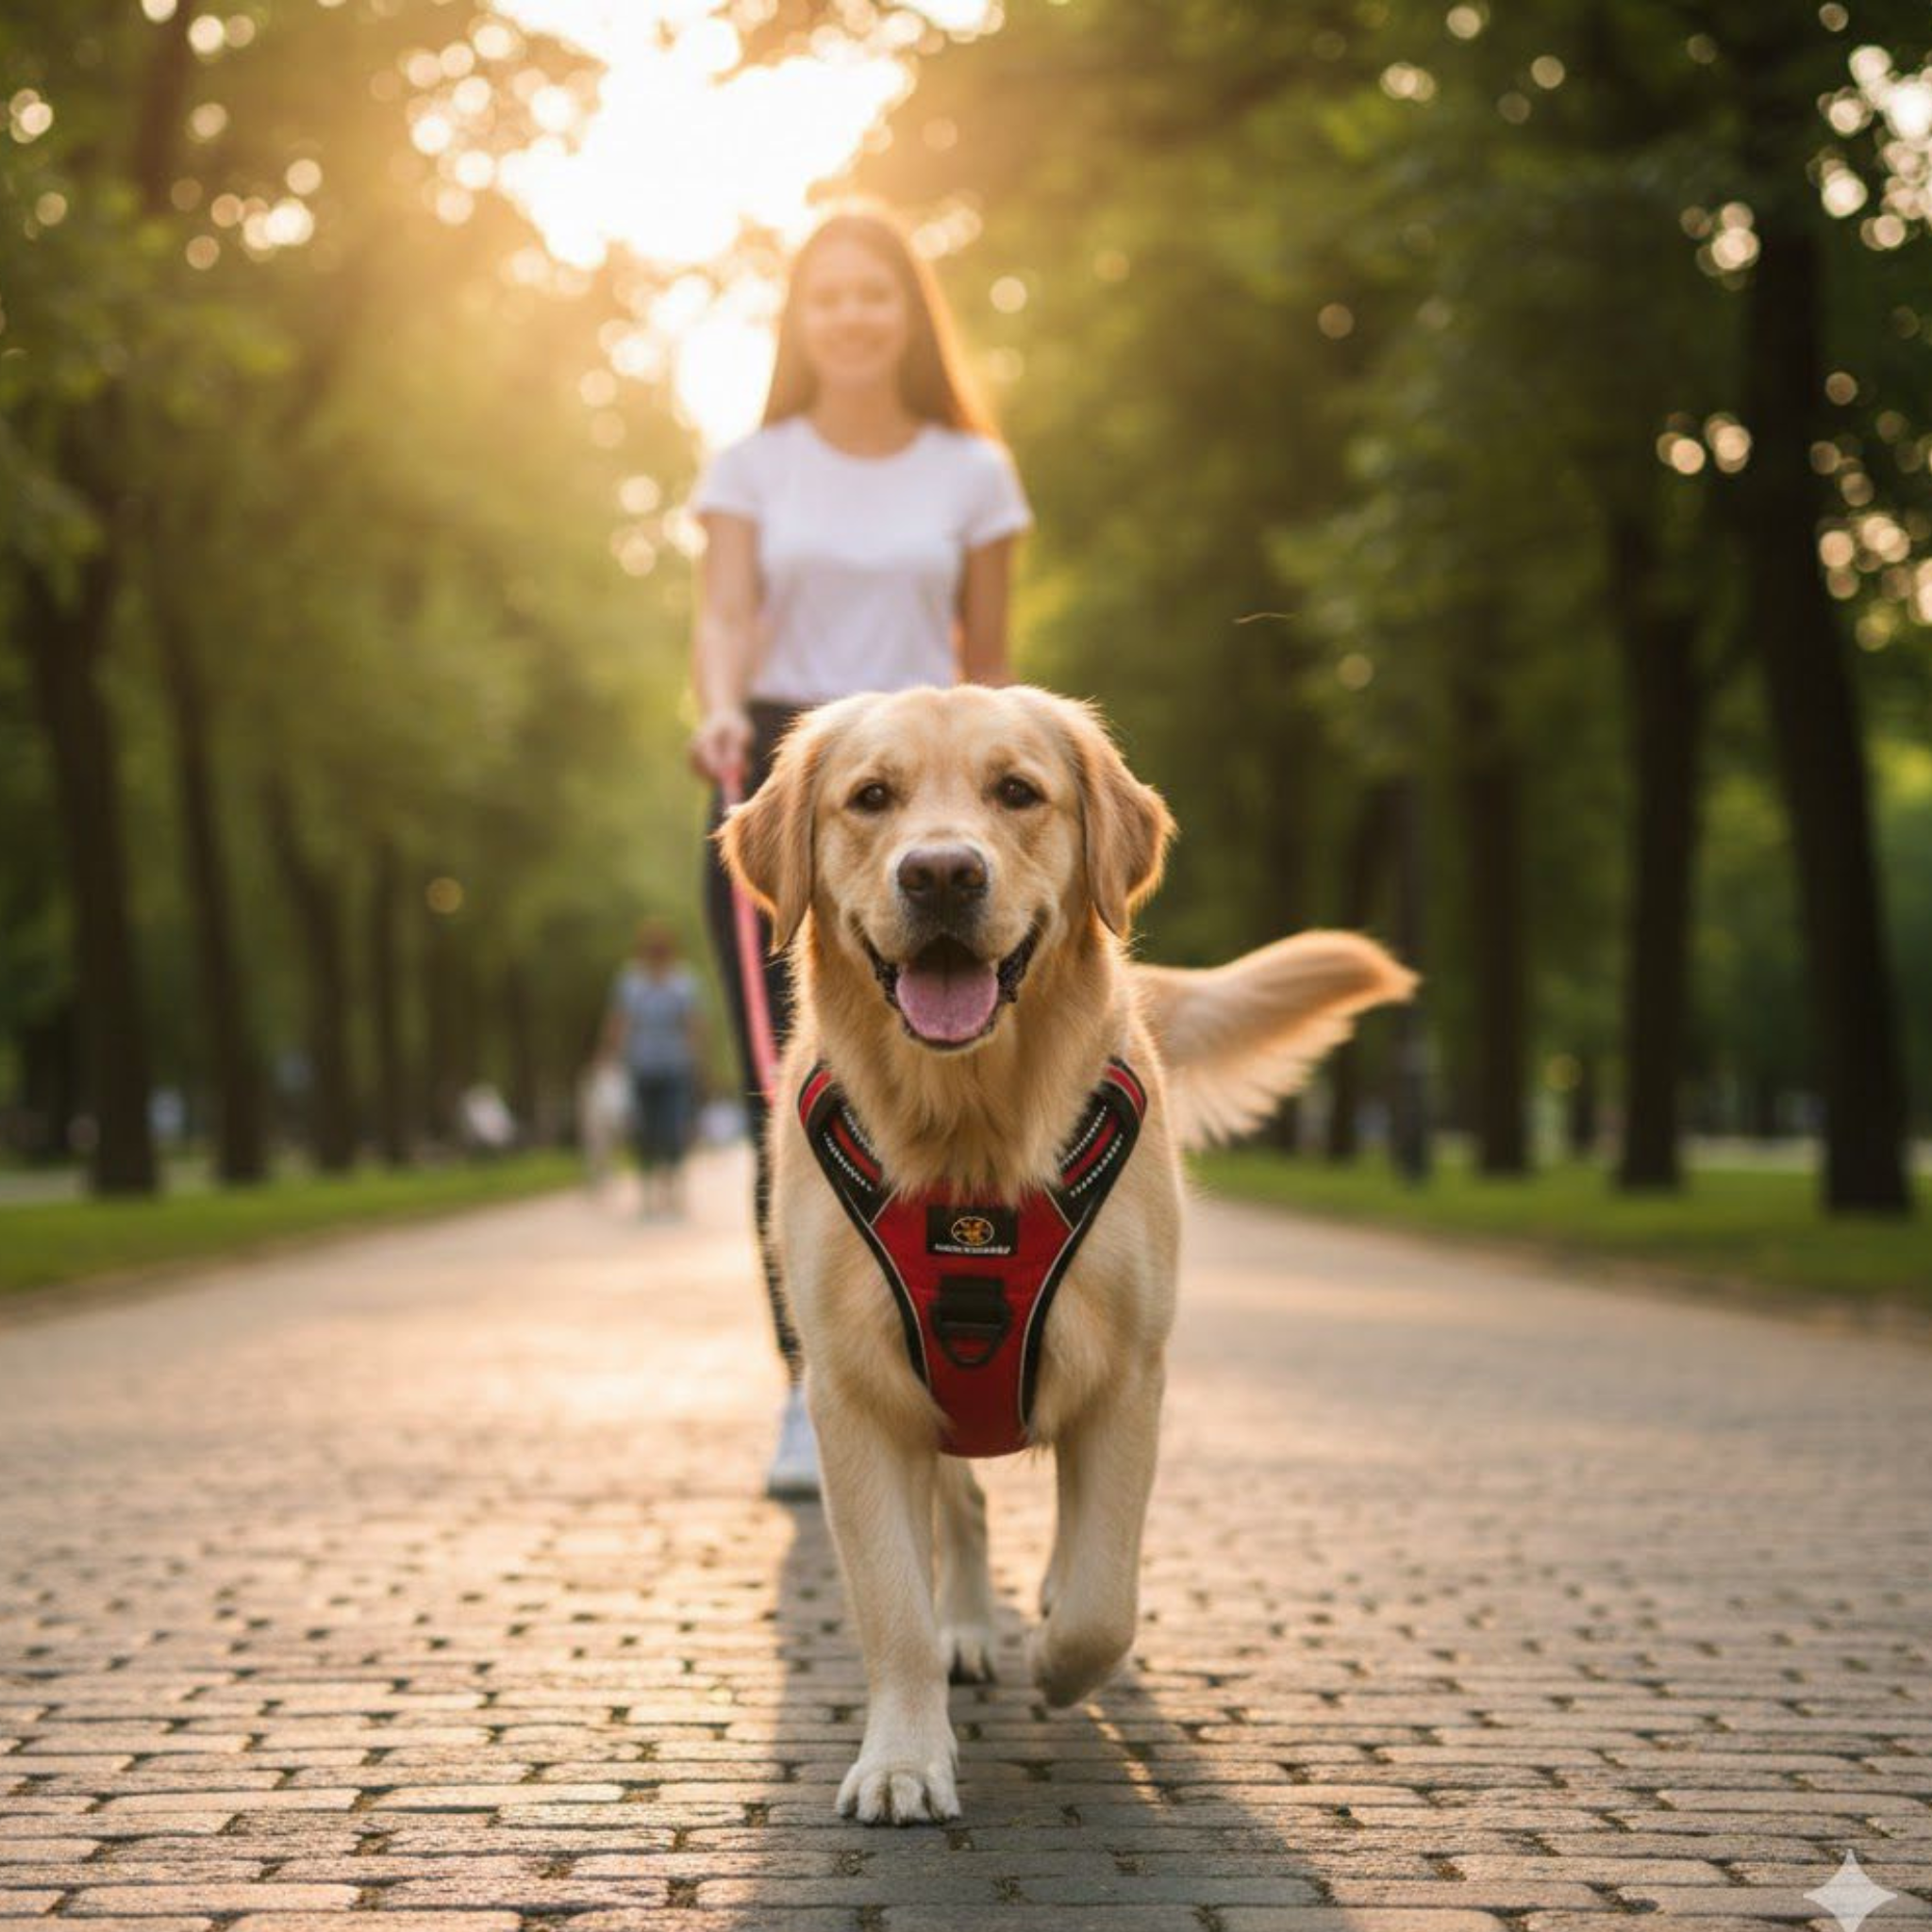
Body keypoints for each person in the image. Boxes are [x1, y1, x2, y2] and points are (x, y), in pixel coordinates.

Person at [688, 202, 1032, 1501]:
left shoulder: (973, 471)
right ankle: (813, 1382)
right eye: (825, 296)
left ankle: (960, 1367)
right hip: (799, 771)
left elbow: (992, 665)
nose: (850, 315)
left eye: (873, 294)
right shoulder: (752, 462)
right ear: (799, 319)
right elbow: (723, 613)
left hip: (945, 775)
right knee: (795, 1095)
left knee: (963, 1090)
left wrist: (1003, 799)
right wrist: (721, 709)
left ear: (908, 313)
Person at [603, 920, 704, 1219]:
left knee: (673, 1129)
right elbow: (620, 1021)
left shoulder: (683, 982)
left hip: (674, 1066)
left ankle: (673, 1192)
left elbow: (693, 1024)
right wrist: (610, 1055)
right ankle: (647, 1194)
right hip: (641, 1066)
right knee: (645, 1132)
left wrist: (696, 1060)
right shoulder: (630, 982)